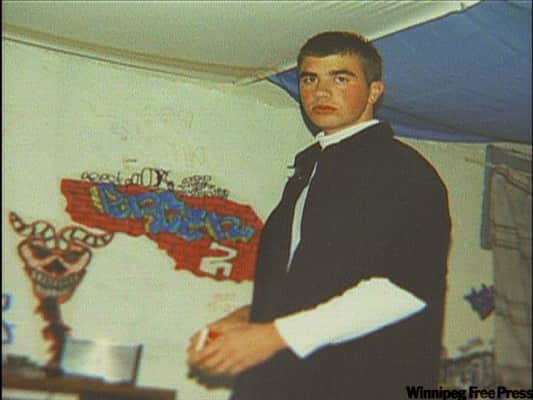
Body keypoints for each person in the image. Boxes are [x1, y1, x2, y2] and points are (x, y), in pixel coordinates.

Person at [187, 31, 451, 400]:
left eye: (340, 78)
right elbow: (314, 287)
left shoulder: (405, 171)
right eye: (310, 79)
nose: (321, 92)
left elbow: (405, 288)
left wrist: (270, 336)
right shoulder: (309, 173)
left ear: (374, 91)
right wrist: (248, 317)